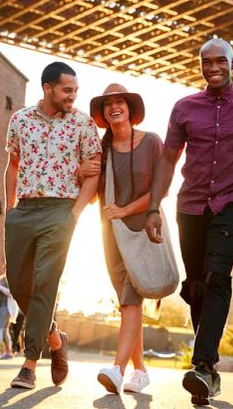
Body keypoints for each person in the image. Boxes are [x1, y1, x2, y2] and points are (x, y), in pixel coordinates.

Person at [144, 38, 233, 405]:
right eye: (206, 62)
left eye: (220, 61)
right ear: (199, 65)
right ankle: (208, 374)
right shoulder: (184, 107)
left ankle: (202, 363)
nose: (213, 68)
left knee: (216, 277)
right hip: (190, 205)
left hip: (230, 203)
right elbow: (167, 158)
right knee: (195, 285)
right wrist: (153, 207)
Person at [4, 61, 102, 389]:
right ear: (47, 88)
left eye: (75, 90)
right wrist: (10, 210)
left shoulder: (84, 125)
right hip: (24, 210)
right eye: (67, 90)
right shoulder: (19, 120)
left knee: (45, 282)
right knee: (18, 283)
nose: (73, 96)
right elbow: (12, 165)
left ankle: (30, 364)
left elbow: (95, 171)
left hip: (60, 211)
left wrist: (74, 214)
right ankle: (55, 338)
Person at [82, 83, 164, 395]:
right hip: (110, 236)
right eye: (108, 104)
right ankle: (140, 371)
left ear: (130, 109)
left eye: (120, 102)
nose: (114, 107)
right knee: (128, 304)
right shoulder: (100, 151)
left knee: (132, 299)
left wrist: (126, 209)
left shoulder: (152, 142)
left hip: (143, 232)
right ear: (103, 114)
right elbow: (92, 197)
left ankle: (117, 369)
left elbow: (161, 188)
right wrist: (81, 172)